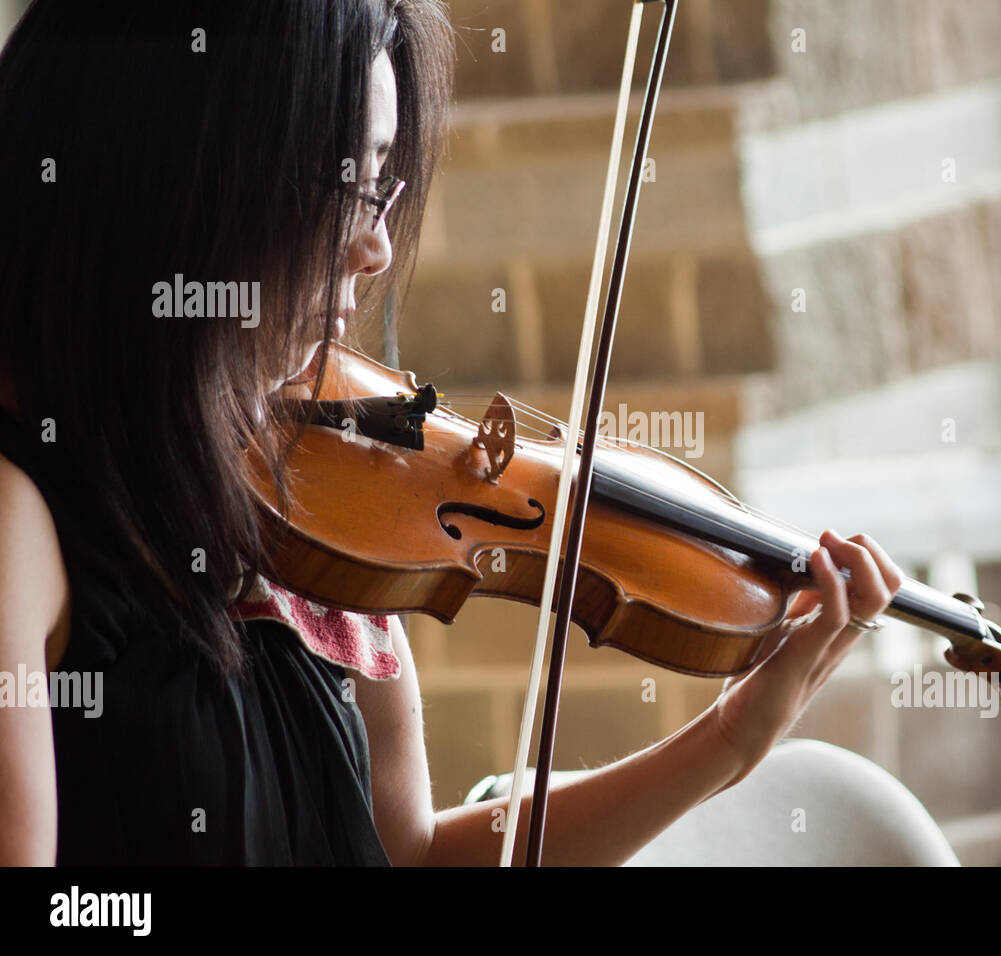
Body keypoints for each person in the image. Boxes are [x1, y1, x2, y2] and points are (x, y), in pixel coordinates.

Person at [0, 0, 903, 866]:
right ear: (179, 177)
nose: (377, 246)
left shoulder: (322, 489)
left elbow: (417, 856)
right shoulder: (22, 523)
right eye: (343, 184)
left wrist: (732, 742)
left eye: (382, 183)